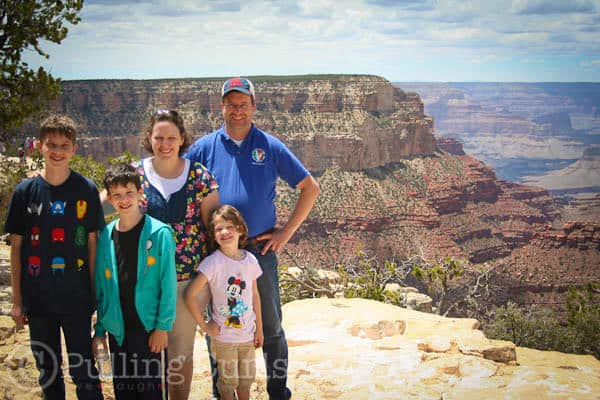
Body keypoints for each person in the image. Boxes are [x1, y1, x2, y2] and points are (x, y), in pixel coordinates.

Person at [185, 77, 320, 400]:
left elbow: (310, 188)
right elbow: (178, 179)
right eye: (231, 104)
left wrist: (285, 233)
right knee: (217, 328)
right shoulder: (205, 147)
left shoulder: (270, 146)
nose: (237, 110)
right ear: (222, 107)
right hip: (217, 255)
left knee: (270, 325)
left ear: (253, 106)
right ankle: (224, 393)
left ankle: (277, 392)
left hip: (259, 252)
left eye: (243, 104)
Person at [4, 114, 104, 400]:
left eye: (64, 145)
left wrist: (96, 293)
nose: (57, 151)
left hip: (77, 297)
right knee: (47, 369)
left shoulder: (85, 189)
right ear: (40, 147)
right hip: (38, 299)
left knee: (84, 368)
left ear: (74, 148)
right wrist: (18, 300)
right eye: (51, 145)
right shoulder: (26, 192)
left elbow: (93, 243)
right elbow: (17, 247)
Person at [136, 109, 219, 400]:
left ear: (182, 139)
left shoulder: (199, 176)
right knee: (148, 354)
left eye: (172, 137)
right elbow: (107, 207)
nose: (165, 143)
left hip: (188, 283)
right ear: (150, 138)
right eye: (159, 137)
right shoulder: (135, 175)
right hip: (146, 281)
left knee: (180, 355)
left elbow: (213, 228)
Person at [92, 163, 177, 400]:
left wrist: (163, 326)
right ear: (109, 198)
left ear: (141, 192)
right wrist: (100, 329)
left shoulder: (159, 234)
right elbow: (102, 288)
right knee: (124, 391)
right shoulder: (106, 236)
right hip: (117, 329)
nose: (124, 200)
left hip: (148, 329)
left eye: (129, 193)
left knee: (149, 391)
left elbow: (168, 285)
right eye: (117, 195)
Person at [184, 205, 263, 400]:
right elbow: (189, 295)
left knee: (245, 384)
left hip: (247, 337)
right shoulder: (213, 263)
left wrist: (259, 328)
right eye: (219, 229)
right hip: (224, 340)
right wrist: (204, 326)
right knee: (228, 386)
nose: (225, 232)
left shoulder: (250, 260)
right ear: (213, 234)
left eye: (229, 226)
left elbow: (254, 295)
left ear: (240, 229)